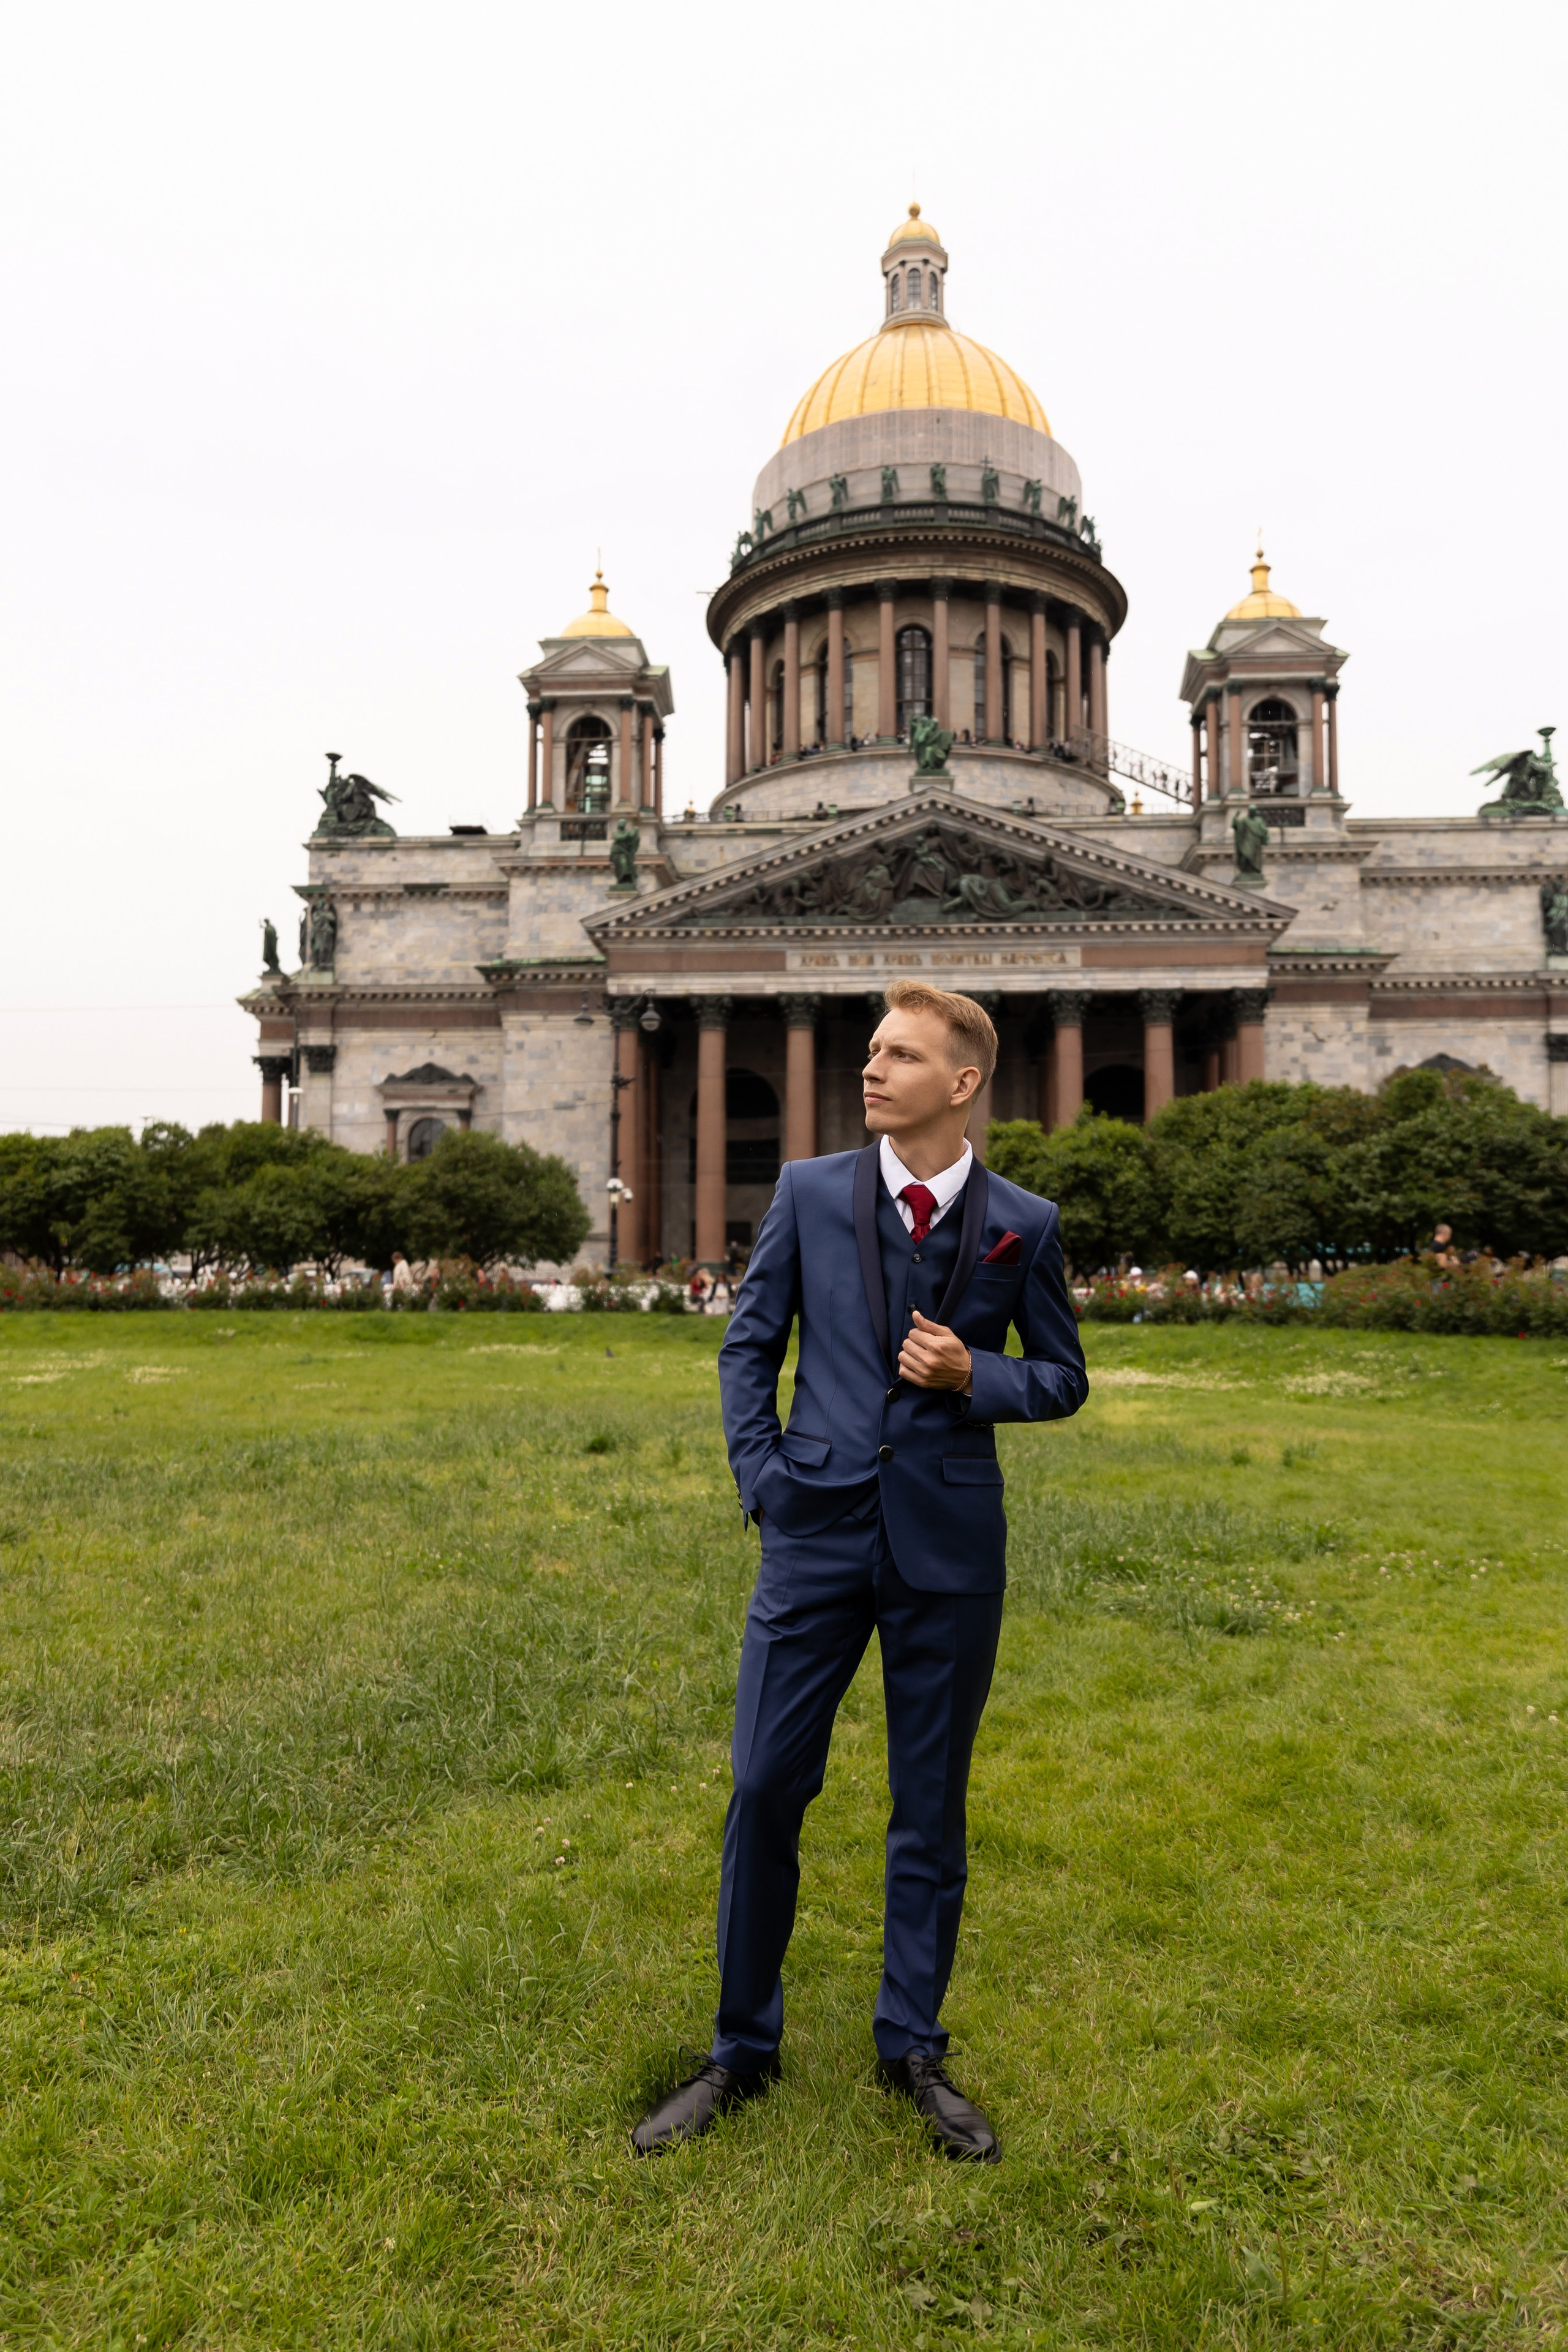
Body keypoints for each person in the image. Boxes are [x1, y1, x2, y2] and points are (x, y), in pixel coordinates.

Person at [631, 981, 1087, 2163]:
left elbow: (1062, 1377)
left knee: (928, 1808)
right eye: (872, 1050)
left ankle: (912, 2047)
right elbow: (751, 1344)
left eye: (899, 1055)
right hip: (815, 1532)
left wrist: (974, 1377)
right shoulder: (809, 1191)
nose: (871, 1069)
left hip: (948, 1548)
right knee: (765, 1787)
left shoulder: (1022, 1222)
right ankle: (741, 2049)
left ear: (964, 1082)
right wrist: (766, 1483)